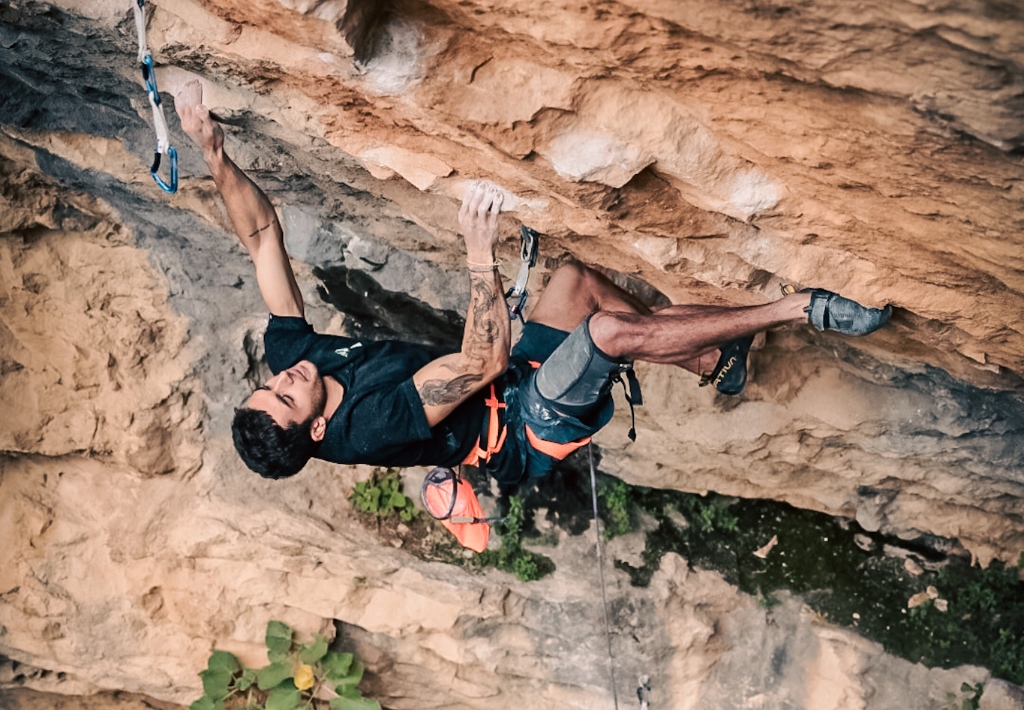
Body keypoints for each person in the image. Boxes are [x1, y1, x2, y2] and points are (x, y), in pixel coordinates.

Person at [174, 80, 892, 494]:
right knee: (604, 335)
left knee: (576, 283)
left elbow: (263, 236)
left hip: (507, 378)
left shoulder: (295, 357)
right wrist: (480, 259)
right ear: (318, 430)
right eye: (288, 396)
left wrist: (215, 156)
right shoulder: (370, 426)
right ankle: (802, 309)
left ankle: (711, 359)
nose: (287, 376)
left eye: (269, 385)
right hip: (519, 429)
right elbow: (481, 364)